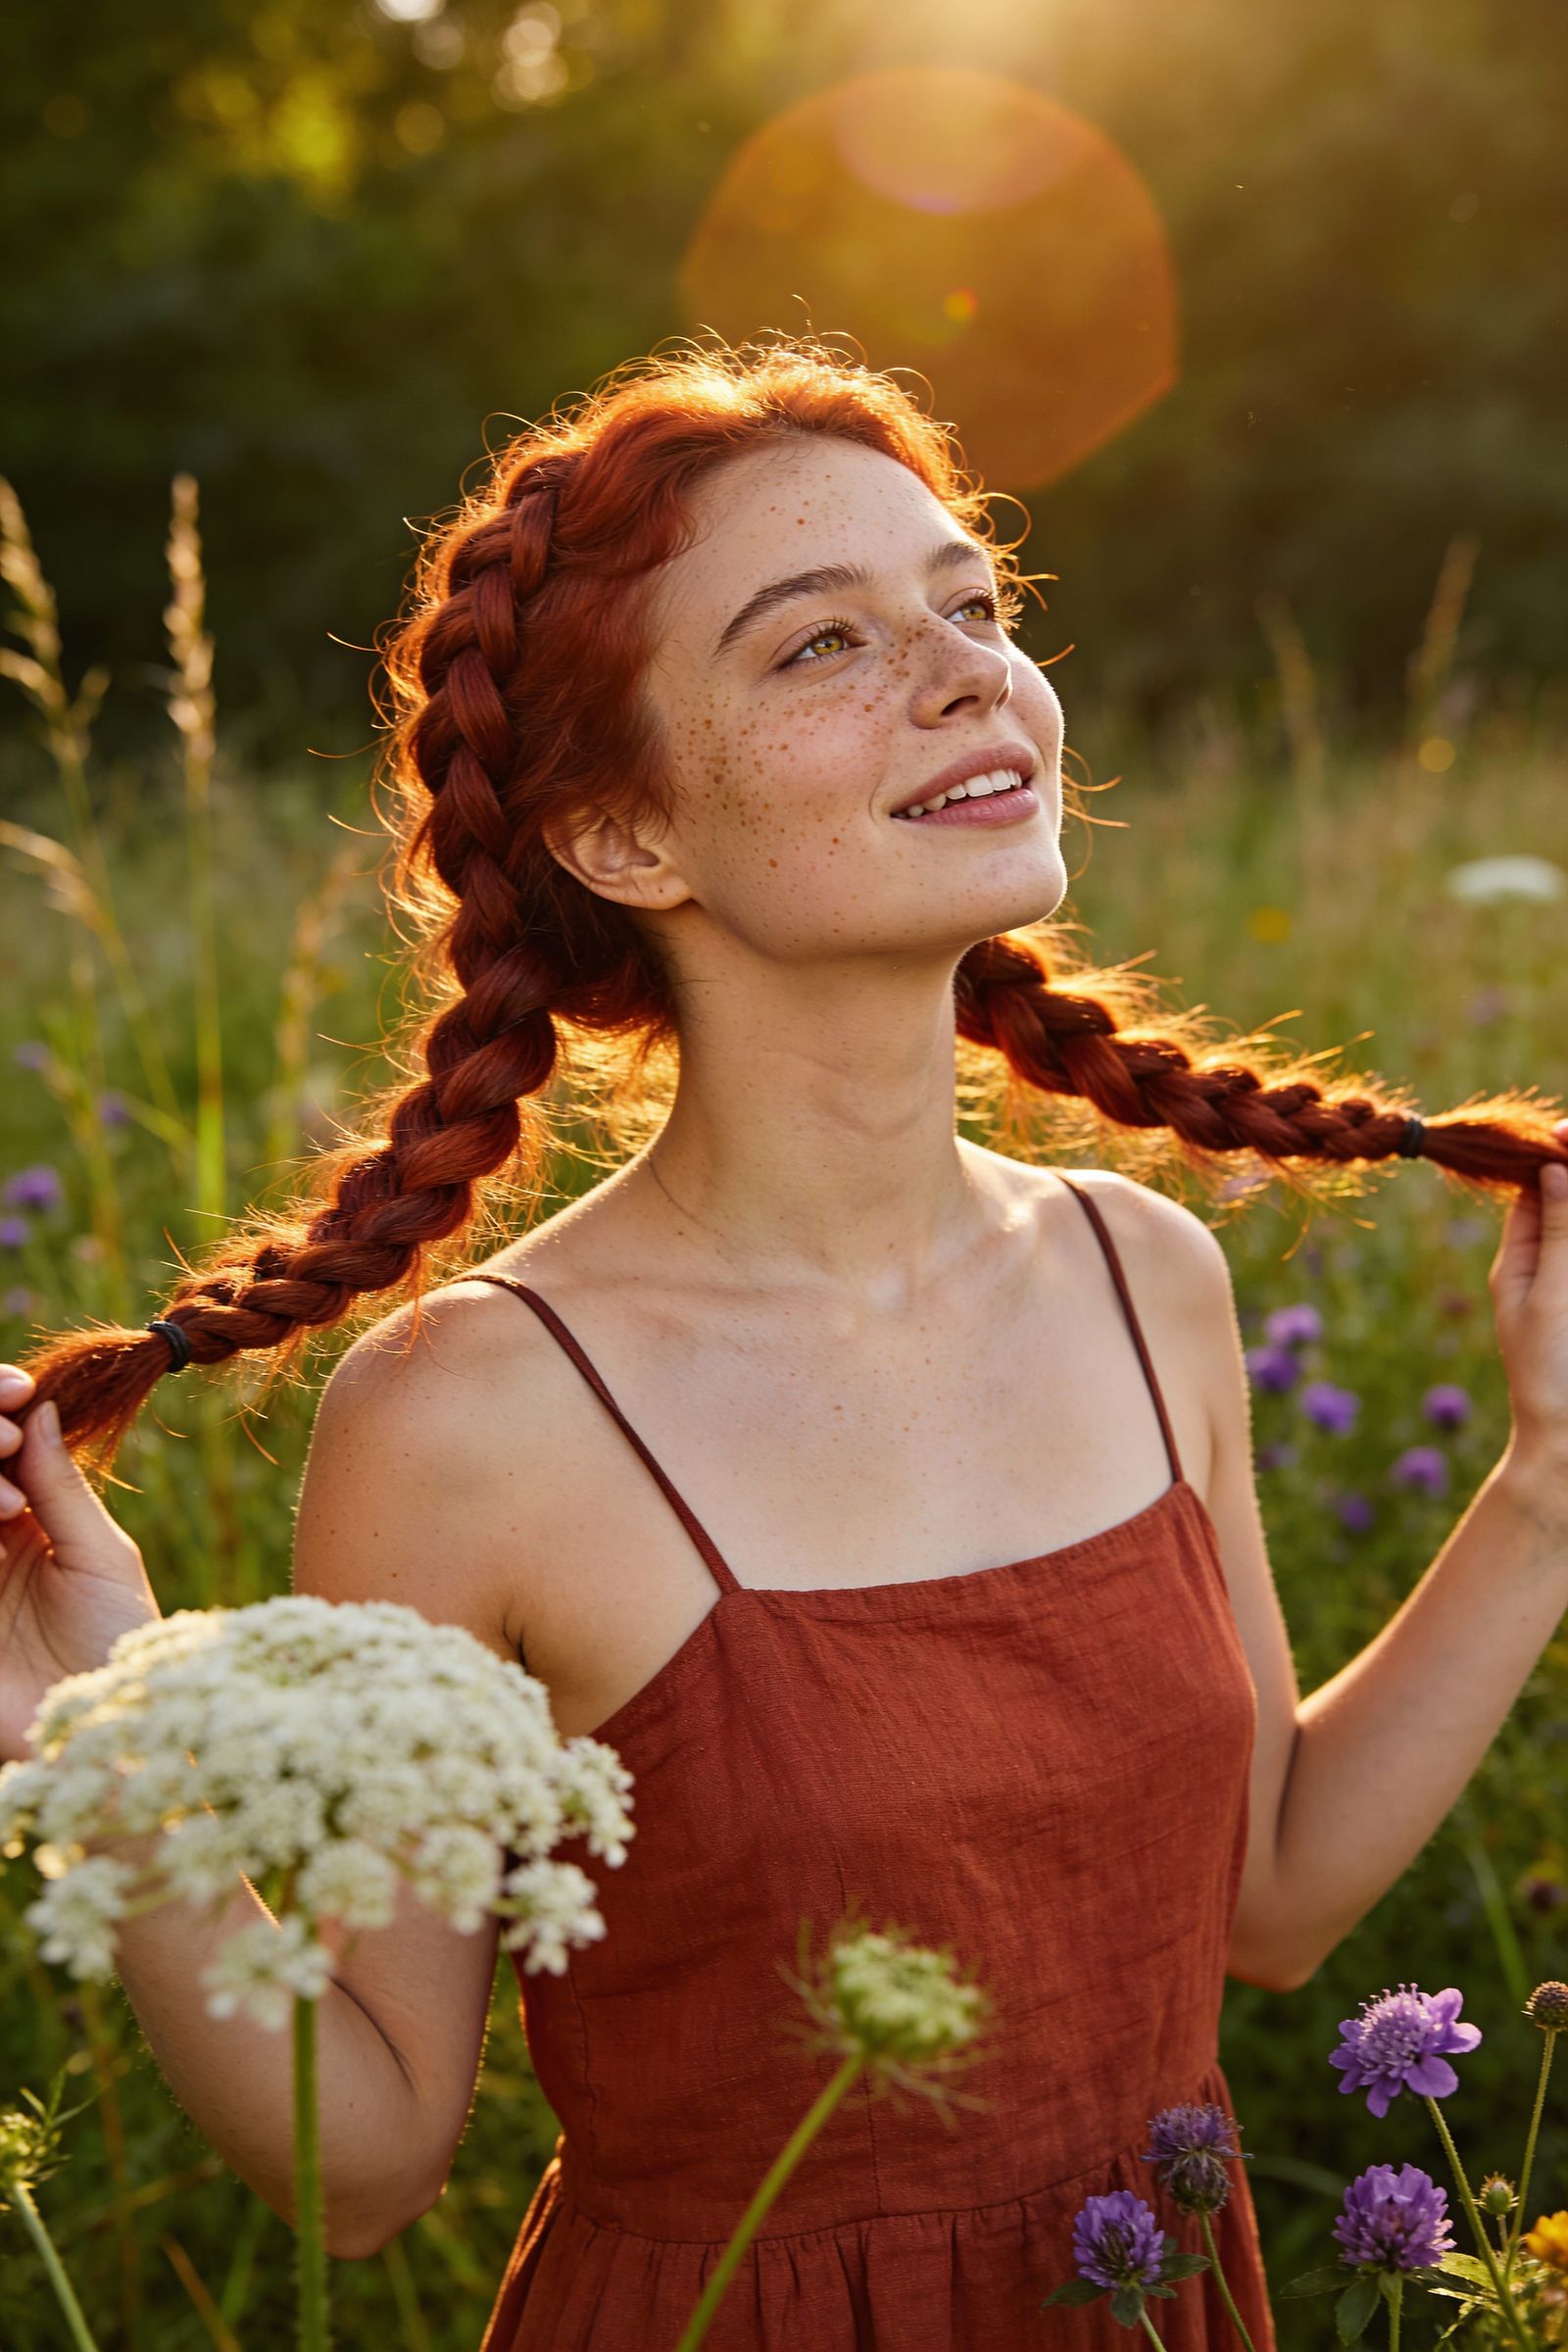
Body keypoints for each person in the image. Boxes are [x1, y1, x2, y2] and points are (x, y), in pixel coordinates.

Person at [2, 338, 1566, 2351]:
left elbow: (1262, 1903)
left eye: (971, 606)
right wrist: (114, 1774)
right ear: (624, 837)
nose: (964, 672)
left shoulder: (1137, 1273)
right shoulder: (469, 1416)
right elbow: (368, 2158)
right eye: (817, 646)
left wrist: (1540, 1483)